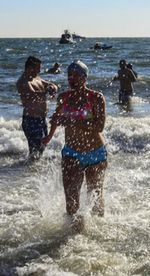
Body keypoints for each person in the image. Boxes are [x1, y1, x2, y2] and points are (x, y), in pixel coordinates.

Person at [42, 60, 107, 232]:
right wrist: (49, 135)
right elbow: (57, 117)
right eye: (69, 75)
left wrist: (71, 121)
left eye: (76, 75)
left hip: (95, 153)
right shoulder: (64, 97)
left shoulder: (96, 97)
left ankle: (98, 233)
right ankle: (73, 235)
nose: (72, 78)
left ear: (85, 77)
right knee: (71, 200)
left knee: (95, 197)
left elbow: (99, 126)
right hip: (71, 152)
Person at [16, 56, 58, 161]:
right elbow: (33, 95)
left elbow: (51, 84)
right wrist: (47, 91)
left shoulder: (36, 78)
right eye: (37, 68)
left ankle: (29, 169)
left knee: (41, 148)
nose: (39, 70)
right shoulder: (23, 81)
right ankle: (30, 171)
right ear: (29, 68)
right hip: (31, 120)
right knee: (36, 150)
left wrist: (53, 87)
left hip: (41, 119)